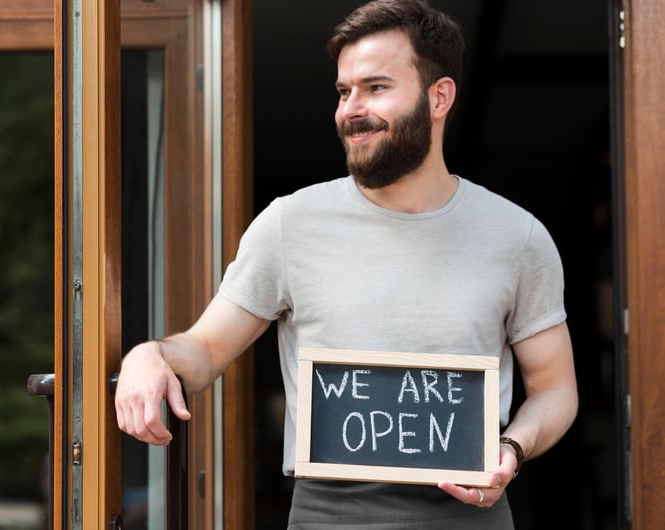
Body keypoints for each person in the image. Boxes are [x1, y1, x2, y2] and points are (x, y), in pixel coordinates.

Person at [115, 0, 579, 527]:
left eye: (376, 87)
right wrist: (148, 355)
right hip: (328, 514)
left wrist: (512, 449)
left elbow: (555, 388)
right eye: (343, 91)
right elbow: (204, 348)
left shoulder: (517, 236)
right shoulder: (290, 224)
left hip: (469, 514)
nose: (351, 109)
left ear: (439, 96)